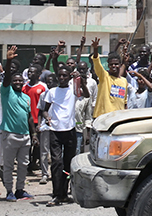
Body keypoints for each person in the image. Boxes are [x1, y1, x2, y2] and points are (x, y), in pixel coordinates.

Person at [43, 65, 89, 206]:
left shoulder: (73, 90)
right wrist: (47, 117)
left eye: (65, 75)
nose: (62, 78)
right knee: (57, 162)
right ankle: (56, 194)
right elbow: (44, 110)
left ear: (69, 77)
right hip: (55, 131)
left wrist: (80, 81)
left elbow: (87, 95)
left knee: (68, 164)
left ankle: (64, 194)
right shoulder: (52, 92)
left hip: (70, 131)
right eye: (60, 75)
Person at [1, 46, 36, 201]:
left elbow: (29, 117)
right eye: (15, 80)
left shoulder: (26, 97)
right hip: (9, 135)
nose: (17, 82)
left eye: (20, 80)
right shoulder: (6, 92)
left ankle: (20, 190)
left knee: (23, 165)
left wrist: (34, 133)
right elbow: (6, 78)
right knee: (9, 165)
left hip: (25, 136)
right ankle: (9, 191)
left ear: (23, 82)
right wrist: (8, 61)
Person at [91, 37, 128, 118]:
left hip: (118, 118)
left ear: (120, 65)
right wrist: (96, 49)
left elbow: (124, 102)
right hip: (102, 117)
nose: (113, 66)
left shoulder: (124, 81)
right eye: (111, 64)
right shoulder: (104, 77)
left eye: (116, 64)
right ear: (108, 66)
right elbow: (97, 62)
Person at [22, 63, 47, 175]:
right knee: (27, 145)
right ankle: (28, 167)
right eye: (29, 72)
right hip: (26, 120)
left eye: (33, 72)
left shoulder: (43, 87)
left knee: (38, 145)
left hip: (38, 120)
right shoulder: (24, 87)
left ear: (38, 74)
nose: (30, 74)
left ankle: (34, 162)